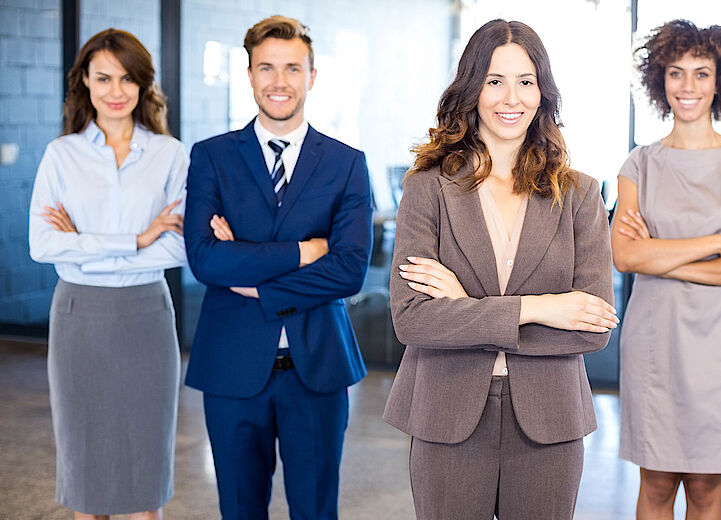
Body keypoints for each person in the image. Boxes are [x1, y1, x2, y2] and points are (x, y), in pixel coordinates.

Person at [382, 19, 617, 520]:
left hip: (549, 418)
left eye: (526, 81)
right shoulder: (428, 188)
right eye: (494, 81)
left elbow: (593, 327)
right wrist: (542, 309)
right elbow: (412, 320)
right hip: (446, 411)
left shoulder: (579, 194)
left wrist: (464, 309)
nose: (511, 97)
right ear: (472, 88)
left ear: (542, 93)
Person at [183, 15, 372, 520]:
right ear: (248, 75)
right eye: (266, 68)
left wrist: (253, 280)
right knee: (240, 510)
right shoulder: (212, 157)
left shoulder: (346, 163)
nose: (279, 81)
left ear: (312, 76)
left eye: (293, 68)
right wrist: (304, 253)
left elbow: (350, 270)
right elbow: (204, 258)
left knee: (315, 510)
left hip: (317, 368)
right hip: (231, 368)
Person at [611, 19, 721, 520]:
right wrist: (718, 245)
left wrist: (664, 256)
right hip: (655, 340)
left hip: (720, 344)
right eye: (676, 73)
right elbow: (625, 258)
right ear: (660, 80)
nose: (688, 86)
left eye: (701, 74)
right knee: (656, 483)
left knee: (707, 486)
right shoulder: (638, 165)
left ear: (719, 82)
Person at [28, 29, 186, 520]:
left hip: (146, 317)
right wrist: (137, 240)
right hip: (78, 317)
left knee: (145, 477)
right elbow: (44, 246)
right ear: (85, 83)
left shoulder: (171, 154)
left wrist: (84, 244)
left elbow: (178, 247)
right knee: (86, 474)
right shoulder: (61, 155)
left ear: (142, 85)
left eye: (127, 78)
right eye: (103, 78)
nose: (115, 91)